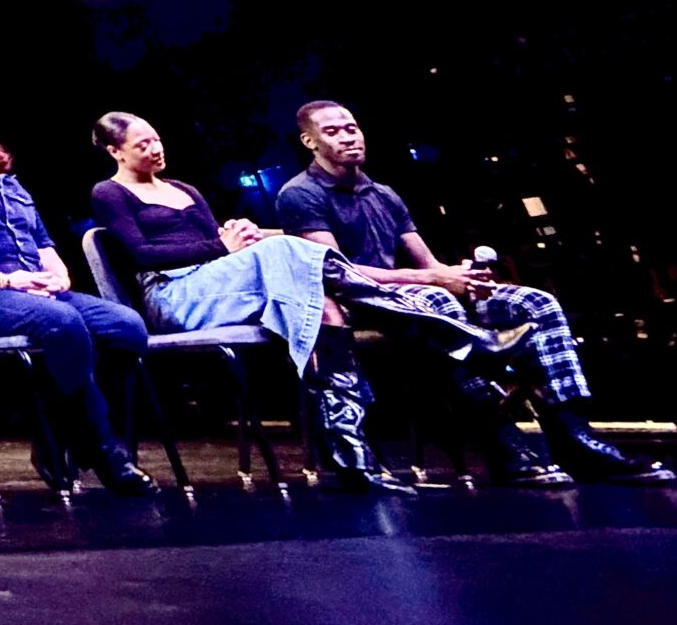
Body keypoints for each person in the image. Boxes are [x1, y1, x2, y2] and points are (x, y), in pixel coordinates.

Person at [89, 110, 527, 494]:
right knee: (287, 252)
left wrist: (242, 237)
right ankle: (465, 339)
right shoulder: (109, 193)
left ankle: (352, 456)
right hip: (173, 295)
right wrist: (226, 248)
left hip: (222, 283)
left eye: (157, 139)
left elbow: (214, 242)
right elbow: (140, 255)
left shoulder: (185, 188)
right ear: (116, 152)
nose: (154, 148)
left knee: (319, 301)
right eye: (141, 144)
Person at [279, 100, 672, 485]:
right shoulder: (300, 194)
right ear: (310, 141)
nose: (348, 137)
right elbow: (337, 272)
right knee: (440, 301)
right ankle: (501, 440)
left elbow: (428, 264)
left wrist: (463, 277)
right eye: (332, 131)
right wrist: (437, 282)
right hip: (361, 303)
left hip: (415, 294)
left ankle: (574, 436)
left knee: (537, 303)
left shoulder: (383, 194)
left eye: (351, 128)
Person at [0, 101, 156, 495]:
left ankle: (54, 431)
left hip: (39, 290)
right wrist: (5, 283)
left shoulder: (10, 184)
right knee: (63, 324)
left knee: (127, 327)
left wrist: (59, 277)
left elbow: (43, 242)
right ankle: (105, 450)